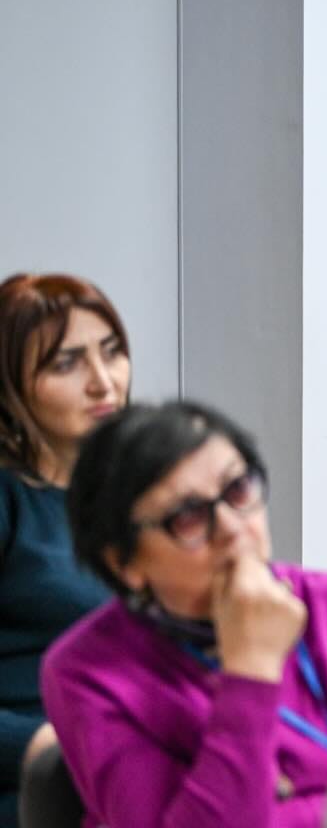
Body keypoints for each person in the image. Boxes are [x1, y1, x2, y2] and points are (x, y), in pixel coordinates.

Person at [41, 401, 327, 828]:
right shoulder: (85, 671)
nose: (233, 528)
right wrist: (251, 670)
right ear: (125, 563)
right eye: (188, 516)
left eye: (238, 489)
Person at [0, 273, 130, 828]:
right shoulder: (10, 500)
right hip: (39, 791)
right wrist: (46, 747)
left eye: (112, 352)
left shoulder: (140, 495)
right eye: (66, 364)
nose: (103, 382)